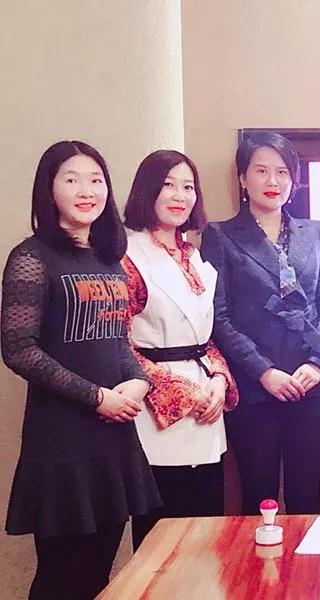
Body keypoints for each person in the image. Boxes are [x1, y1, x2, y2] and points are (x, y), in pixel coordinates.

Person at [1, 141, 160, 599]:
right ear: (49, 190)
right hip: (61, 443)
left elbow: (117, 339)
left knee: (98, 575)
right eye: (71, 179)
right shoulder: (31, 257)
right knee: (60, 580)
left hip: (114, 440)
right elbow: (18, 349)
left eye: (96, 180)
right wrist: (97, 397)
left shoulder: (108, 258)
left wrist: (139, 381)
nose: (86, 190)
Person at [201, 132, 320, 515]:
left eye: (282, 172)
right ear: (243, 178)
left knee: (306, 498)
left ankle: (307, 559)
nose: (273, 181)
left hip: (311, 386)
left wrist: (316, 363)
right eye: (261, 171)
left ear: (293, 180)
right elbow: (218, 316)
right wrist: (264, 372)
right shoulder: (220, 235)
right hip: (254, 389)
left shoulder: (313, 232)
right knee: (257, 498)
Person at [122, 150, 239, 549]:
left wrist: (219, 380)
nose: (180, 195)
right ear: (147, 191)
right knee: (160, 542)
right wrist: (184, 393)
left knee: (206, 537)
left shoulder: (193, 254)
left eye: (188, 187)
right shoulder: (127, 255)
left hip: (206, 408)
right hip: (155, 411)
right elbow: (119, 343)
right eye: (168, 185)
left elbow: (205, 337)